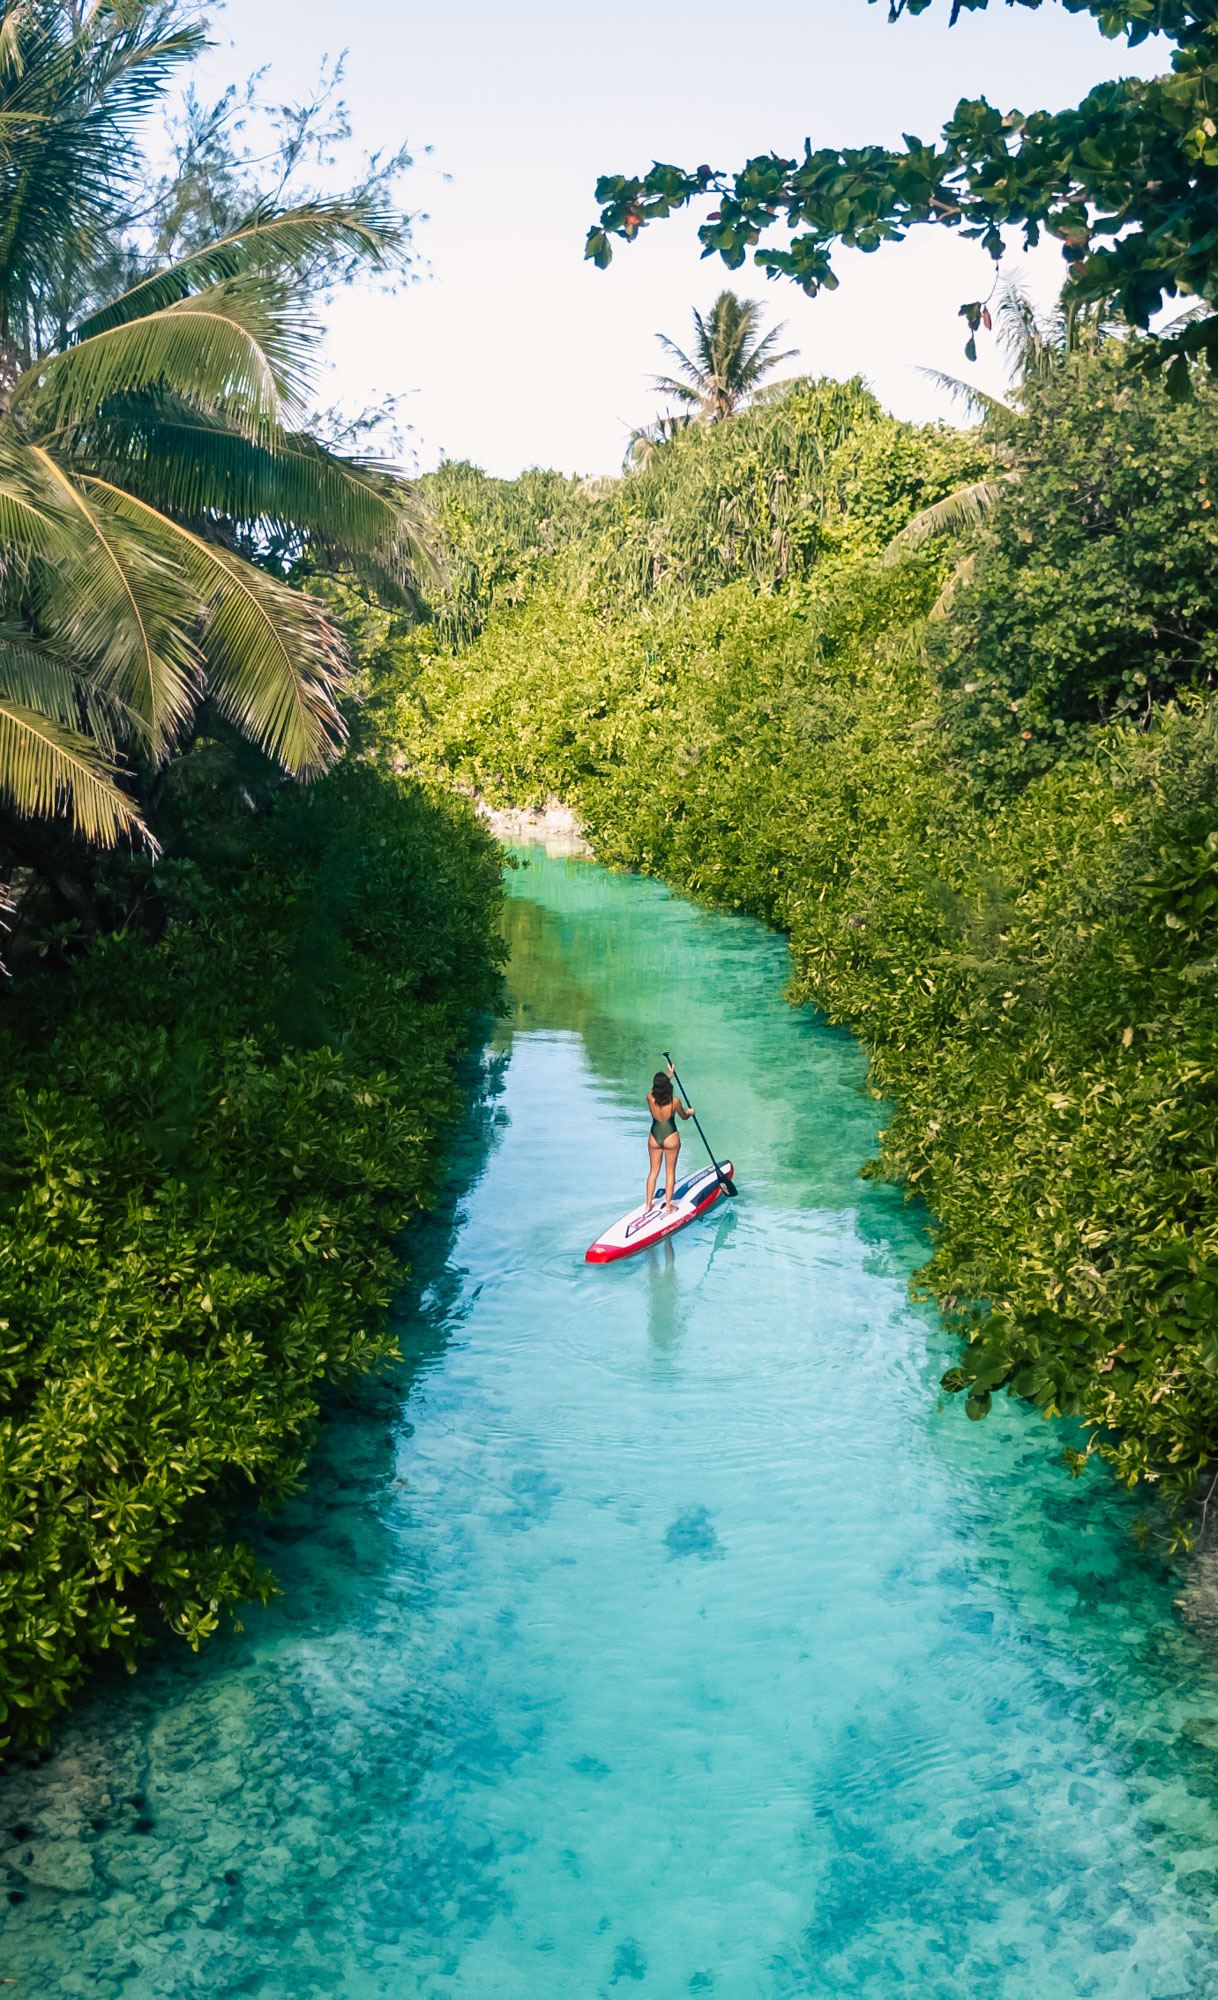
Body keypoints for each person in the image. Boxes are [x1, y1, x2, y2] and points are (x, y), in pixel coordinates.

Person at [646, 1062, 695, 1212]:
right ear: (668, 1086)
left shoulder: (649, 1097)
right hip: (670, 1137)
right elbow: (684, 1117)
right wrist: (690, 1112)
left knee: (653, 1172)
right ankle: (668, 1205)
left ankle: (648, 1205)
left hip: (654, 1136)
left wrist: (669, 1076)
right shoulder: (675, 1101)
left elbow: (657, 1090)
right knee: (670, 1172)